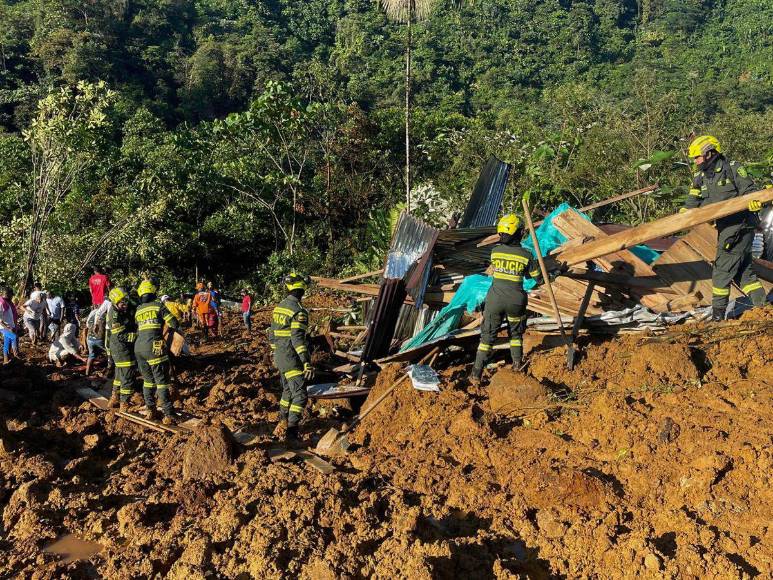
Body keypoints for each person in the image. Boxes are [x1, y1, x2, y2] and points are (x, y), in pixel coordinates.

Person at [681, 135, 768, 320]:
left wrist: (754, 202)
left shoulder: (733, 168)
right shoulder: (700, 177)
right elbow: (692, 201)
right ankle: (765, 309)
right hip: (724, 227)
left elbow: (750, 192)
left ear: (709, 153)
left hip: (740, 225)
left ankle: (718, 318)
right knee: (743, 273)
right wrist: (682, 216)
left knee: (721, 270)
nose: (695, 162)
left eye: (697, 157)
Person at [470, 214, 543, 384]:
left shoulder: (495, 252)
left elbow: (498, 268)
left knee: (487, 337)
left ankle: (475, 374)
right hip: (516, 301)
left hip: (494, 300)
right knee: (516, 334)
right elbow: (537, 277)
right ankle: (517, 365)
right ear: (519, 233)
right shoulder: (527, 255)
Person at [269, 273, 313, 446]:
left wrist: (275, 354)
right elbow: (298, 340)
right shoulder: (299, 312)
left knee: (287, 391)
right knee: (300, 395)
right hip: (291, 357)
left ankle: (282, 421)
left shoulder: (279, 307)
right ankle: (292, 433)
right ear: (302, 289)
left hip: (279, 356)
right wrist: (306, 361)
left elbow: (271, 334)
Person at [134, 280, 179, 424]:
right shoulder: (158, 306)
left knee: (148, 381)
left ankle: (150, 410)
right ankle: (168, 414)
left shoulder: (139, 309)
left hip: (138, 348)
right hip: (155, 346)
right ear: (153, 292)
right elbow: (174, 322)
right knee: (161, 382)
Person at [107, 287, 137, 411]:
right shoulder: (114, 315)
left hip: (118, 348)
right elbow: (121, 336)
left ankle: (114, 398)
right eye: (122, 303)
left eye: (125, 301)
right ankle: (124, 403)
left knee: (119, 375)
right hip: (121, 349)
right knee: (127, 374)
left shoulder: (120, 310)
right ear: (115, 303)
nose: (125, 304)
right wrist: (137, 337)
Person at [85, 304, 108, 375]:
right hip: (99, 339)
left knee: (91, 355)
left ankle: (87, 373)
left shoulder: (93, 314)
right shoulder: (105, 315)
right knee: (111, 353)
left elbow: (87, 325)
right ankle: (109, 372)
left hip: (89, 338)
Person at [0, 287, 19, 364]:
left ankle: (6, 359)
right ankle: (16, 355)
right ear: (8, 294)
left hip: (10, 326)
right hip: (3, 327)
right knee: (14, 337)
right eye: (11, 295)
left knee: (7, 342)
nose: (12, 297)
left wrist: (15, 325)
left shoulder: (8, 302)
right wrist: (7, 328)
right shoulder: (1, 303)